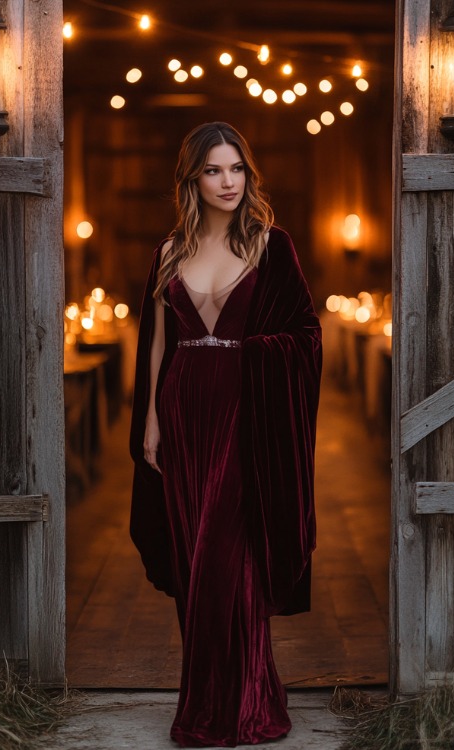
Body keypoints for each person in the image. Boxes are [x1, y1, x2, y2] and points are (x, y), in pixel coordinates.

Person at [130, 121, 322, 747]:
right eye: (213, 170)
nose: (228, 181)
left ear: (249, 173)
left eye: (236, 168)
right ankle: (212, 701)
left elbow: (304, 337)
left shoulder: (272, 245)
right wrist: (152, 421)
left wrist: (252, 357)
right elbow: (157, 345)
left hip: (248, 417)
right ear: (192, 179)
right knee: (194, 562)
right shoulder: (167, 252)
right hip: (185, 413)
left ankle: (246, 704)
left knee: (229, 561)